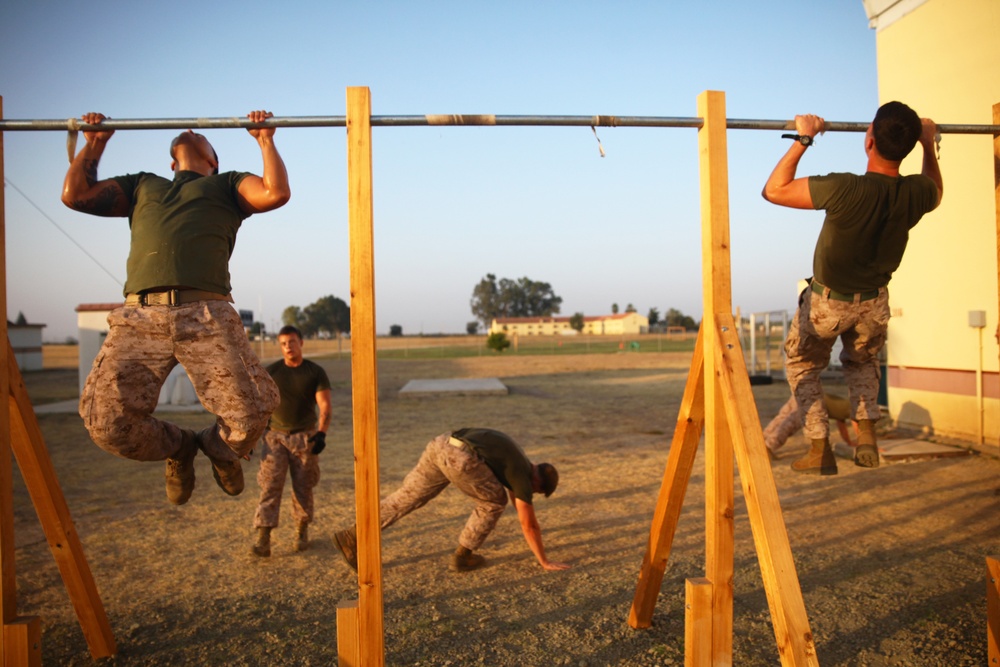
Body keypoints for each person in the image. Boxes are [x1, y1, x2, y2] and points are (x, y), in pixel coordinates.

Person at [62, 110, 291, 504]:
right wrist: (95, 143)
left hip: (206, 313)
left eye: (201, 136)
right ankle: (180, 447)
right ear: (172, 162)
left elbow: (275, 192)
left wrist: (264, 140)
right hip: (140, 317)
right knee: (106, 423)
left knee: (252, 413)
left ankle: (219, 449)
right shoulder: (143, 185)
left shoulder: (227, 184)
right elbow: (76, 196)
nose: (190, 130)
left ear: (212, 160)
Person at [762, 101, 942, 475]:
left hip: (829, 303)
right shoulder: (916, 193)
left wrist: (803, 138)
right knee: (862, 364)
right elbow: (935, 189)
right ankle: (867, 437)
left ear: (869, 140)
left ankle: (818, 448)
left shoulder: (845, 187)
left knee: (802, 365)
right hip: (874, 302)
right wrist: (928, 144)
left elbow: (774, 191)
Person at [332, 428, 570, 572]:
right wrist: (544, 561)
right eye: (536, 492)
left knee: (408, 496)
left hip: (441, 444)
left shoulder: (518, 459)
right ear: (538, 483)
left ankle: (353, 535)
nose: (530, 493)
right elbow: (528, 524)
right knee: (494, 503)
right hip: (462, 458)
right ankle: (463, 557)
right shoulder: (522, 476)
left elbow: (513, 491)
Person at [251, 326, 332, 557]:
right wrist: (254, 437)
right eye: (284, 343)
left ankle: (301, 530)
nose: (288, 347)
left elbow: (325, 405)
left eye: (292, 342)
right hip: (275, 437)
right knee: (270, 486)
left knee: (303, 486)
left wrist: (321, 433)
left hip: (303, 437)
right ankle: (263, 536)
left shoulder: (315, 372)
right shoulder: (272, 372)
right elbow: (261, 407)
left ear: (301, 343)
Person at [763, 392, 857, 459]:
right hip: (811, 401)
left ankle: (763, 439)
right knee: (790, 424)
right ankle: (769, 446)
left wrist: (848, 442)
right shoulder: (854, 410)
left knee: (782, 418)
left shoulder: (843, 409)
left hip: (803, 393)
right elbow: (856, 425)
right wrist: (862, 440)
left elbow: (842, 428)